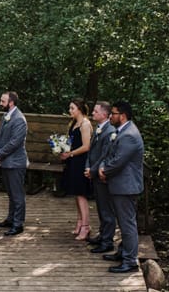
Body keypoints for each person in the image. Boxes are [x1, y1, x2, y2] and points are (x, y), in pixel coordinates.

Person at [98, 101, 144, 274]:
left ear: (122, 116)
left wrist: (104, 171)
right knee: (123, 222)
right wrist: (103, 166)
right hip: (120, 184)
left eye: (114, 113)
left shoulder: (129, 135)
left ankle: (130, 261)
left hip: (126, 187)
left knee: (127, 224)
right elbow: (110, 154)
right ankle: (123, 252)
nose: (111, 116)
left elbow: (119, 161)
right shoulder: (121, 131)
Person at [84, 100, 117, 254]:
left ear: (104, 114)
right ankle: (102, 235)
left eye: (95, 111)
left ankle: (107, 241)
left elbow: (105, 155)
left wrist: (93, 170)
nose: (92, 113)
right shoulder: (98, 128)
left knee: (106, 209)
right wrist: (88, 166)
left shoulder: (110, 131)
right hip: (94, 172)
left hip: (103, 176)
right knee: (100, 207)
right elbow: (91, 151)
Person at [0, 91, 28, 236]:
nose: (0, 103)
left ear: (11, 102)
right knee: (10, 193)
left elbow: (15, 142)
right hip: (6, 161)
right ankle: (10, 219)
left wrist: (0, 153)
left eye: (3, 101)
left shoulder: (19, 119)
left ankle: (18, 224)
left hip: (15, 163)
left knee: (17, 195)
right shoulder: (6, 116)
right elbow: (0, 136)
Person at [59, 98, 94, 240]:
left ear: (79, 109)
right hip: (73, 162)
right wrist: (62, 149)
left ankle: (86, 226)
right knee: (76, 194)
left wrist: (71, 154)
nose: (70, 111)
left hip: (81, 162)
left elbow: (86, 146)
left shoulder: (85, 124)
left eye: (72, 108)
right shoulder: (74, 123)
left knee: (81, 194)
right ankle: (79, 222)